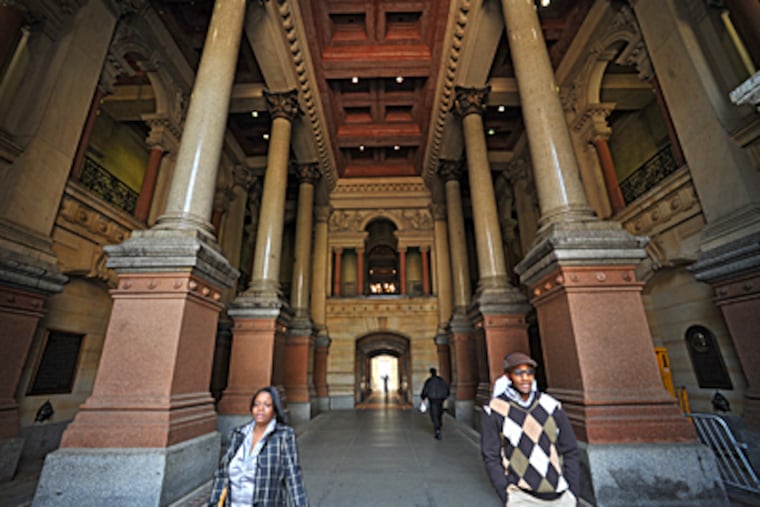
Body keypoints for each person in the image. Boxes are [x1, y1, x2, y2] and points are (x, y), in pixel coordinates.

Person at [481, 352, 580, 506]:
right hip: (522, 497)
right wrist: (506, 493)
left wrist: (573, 492)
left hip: (560, 496)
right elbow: (491, 455)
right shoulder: (494, 409)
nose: (525, 378)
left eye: (529, 372)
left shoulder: (551, 405)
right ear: (508, 376)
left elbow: (570, 449)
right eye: (518, 373)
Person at [208, 386, 308, 507]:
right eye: (256, 404)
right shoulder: (238, 435)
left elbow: (293, 476)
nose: (260, 409)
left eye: (267, 405)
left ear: (275, 409)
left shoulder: (283, 436)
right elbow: (222, 474)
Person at [420, 367, 450, 440]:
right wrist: (445, 396)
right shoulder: (441, 380)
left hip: (432, 400)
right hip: (440, 399)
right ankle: (439, 426)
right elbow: (447, 389)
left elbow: (425, 390)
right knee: (439, 413)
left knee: (434, 414)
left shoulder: (429, 381)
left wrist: (423, 398)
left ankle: (437, 429)